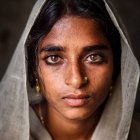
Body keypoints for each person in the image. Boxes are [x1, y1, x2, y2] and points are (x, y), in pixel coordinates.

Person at [0, 0, 139, 140]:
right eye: (54, 58)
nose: (76, 80)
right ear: (34, 68)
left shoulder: (134, 133)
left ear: (116, 64)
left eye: (93, 57)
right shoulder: (7, 132)